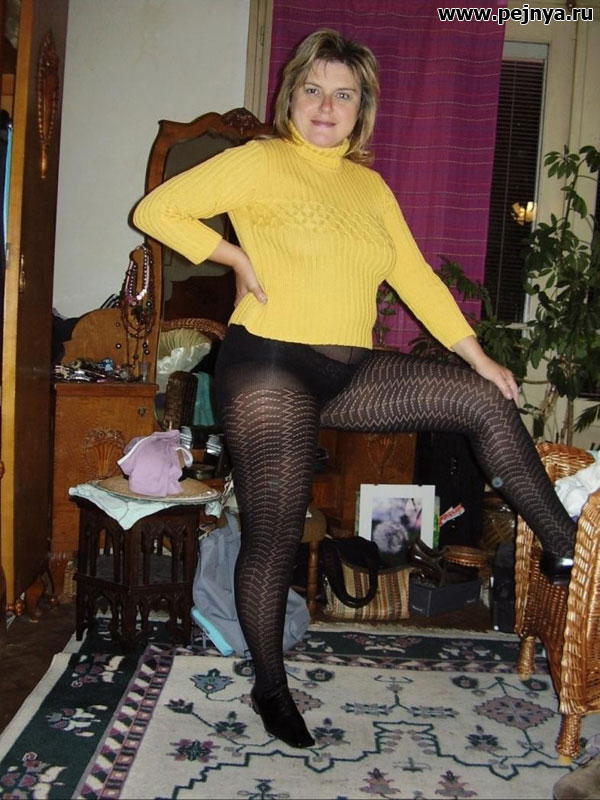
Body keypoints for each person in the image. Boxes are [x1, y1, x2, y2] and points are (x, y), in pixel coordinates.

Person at [134, 28, 577, 749]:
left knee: (481, 398)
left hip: (345, 367)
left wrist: (478, 356)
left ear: (361, 109)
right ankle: (270, 687)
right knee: (275, 534)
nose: (325, 105)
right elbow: (155, 210)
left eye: (343, 94)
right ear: (291, 96)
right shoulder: (261, 160)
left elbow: (416, 277)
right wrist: (234, 256)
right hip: (269, 363)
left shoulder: (369, 187)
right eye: (313, 89)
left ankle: (566, 547)